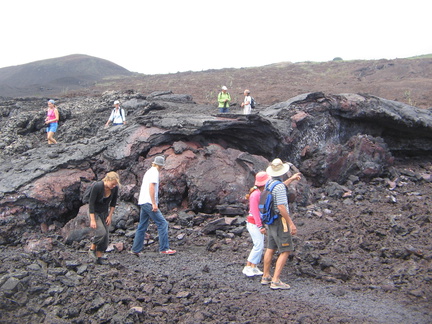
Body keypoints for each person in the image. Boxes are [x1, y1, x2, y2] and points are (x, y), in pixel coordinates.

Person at [261, 158, 301, 289]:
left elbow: (281, 186)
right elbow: (281, 207)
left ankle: (266, 276)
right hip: (279, 220)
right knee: (286, 250)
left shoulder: (270, 183)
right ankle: (276, 280)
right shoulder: (279, 187)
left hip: (270, 220)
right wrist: (291, 223)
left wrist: (292, 179)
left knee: (270, 248)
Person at [131, 156, 176, 255]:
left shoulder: (149, 171)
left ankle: (135, 249)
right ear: (161, 165)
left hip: (143, 201)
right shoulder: (155, 172)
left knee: (142, 225)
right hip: (148, 202)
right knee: (162, 223)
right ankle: (164, 248)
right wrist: (154, 204)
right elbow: (151, 187)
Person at [88, 171, 121, 265]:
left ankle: (98, 258)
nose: (114, 186)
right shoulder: (97, 186)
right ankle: (92, 248)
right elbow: (91, 203)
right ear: (107, 180)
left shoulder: (114, 189)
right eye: (113, 184)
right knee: (101, 232)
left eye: (115, 184)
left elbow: (113, 203)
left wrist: (110, 216)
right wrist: (93, 219)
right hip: (94, 212)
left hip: (105, 213)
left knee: (106, 237)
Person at [242, 171, 270, 277]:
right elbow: (254, 211)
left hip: (255, 222)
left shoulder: (260, 193)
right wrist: (260, 226)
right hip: (253, 223)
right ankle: (248, 267)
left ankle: (252, 266)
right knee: (258, 245)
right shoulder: (255, 195)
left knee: (259, 245)